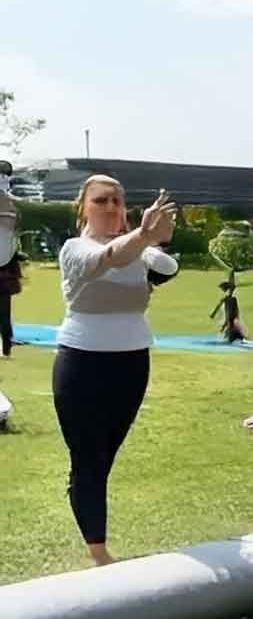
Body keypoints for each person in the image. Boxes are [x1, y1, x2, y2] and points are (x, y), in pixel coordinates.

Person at [52, 177, 179, 565]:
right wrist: (142, 235)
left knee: (102, 457)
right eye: (101, 200)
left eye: (117, 201)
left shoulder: (138, 250)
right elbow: (108, 259)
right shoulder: (75, 248)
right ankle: (99, 552)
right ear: (83, 207)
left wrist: (155, 238)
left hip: (132, 362)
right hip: (82, 362)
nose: (110, 207)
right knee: (89, 458)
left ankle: (81, 489)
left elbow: (166, 267)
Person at [0, 171, 19, 357]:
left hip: (5, 268)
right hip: (6, 267)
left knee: (4, 310)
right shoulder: (11, 207)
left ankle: (6, 345)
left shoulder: (10, 207)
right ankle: (6, 345)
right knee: (4, 310)